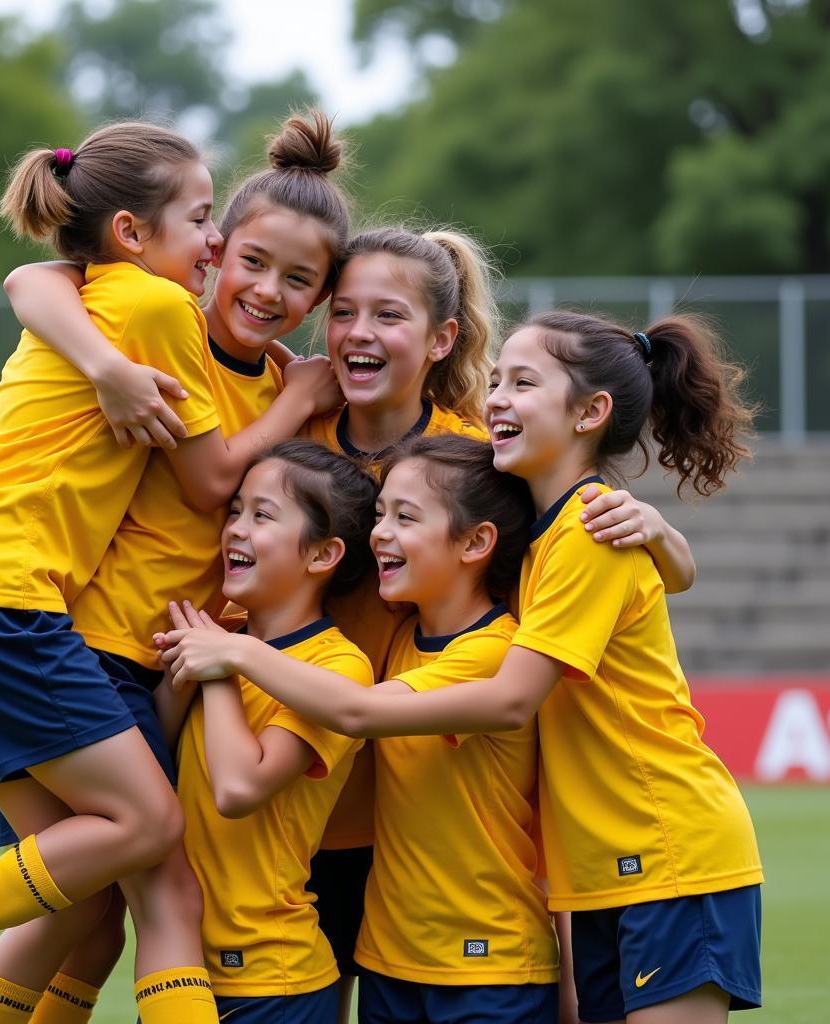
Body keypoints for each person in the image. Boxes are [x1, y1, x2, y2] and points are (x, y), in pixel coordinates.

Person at [166, 310, 764, 1024]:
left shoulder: (588, 531)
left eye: (524, 382)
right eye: (498, 381)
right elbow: (665, 579)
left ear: (591, 412)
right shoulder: (549, 542)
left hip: (667, 846)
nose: (497, 399)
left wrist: (237, 653)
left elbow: (507, 700)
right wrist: (672, 546)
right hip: (603, 868)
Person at [0, 117, 334, 1024]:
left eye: (300, 279)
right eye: (216, 234)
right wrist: (290, 402)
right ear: (139, 234)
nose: (227, 260)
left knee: (85, 909)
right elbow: (207, 480)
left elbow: (32, 277)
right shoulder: (158, 314)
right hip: (27, 608)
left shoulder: (136, 312)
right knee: (162, 873)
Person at [301, 226, 698, 1021]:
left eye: (389, 313)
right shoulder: (292, 442)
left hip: (454, 812)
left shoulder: (484, 465)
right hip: (308, 802)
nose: (360, 333)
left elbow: (529, 697)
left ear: (442, 338)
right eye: (343, 311)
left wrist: (661, 534)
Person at [163, 432, 561, 1023]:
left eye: (404, 517)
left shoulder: (488, 654)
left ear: (477, 542)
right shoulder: (400, 640)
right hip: (386, 963)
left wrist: (228, 660)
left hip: (485, 963)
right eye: (379, 516)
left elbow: (345, 717)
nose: (380, 534)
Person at [154, 440, 377, 1024]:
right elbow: (153, 759)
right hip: (174, 970)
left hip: (273, 980)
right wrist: (193, 669)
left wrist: (222, 663)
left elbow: (237, 789)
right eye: (235, 510)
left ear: (323, 554)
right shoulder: (218, 635)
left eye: (263, 515)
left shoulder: (336, 666)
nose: (235, 529)